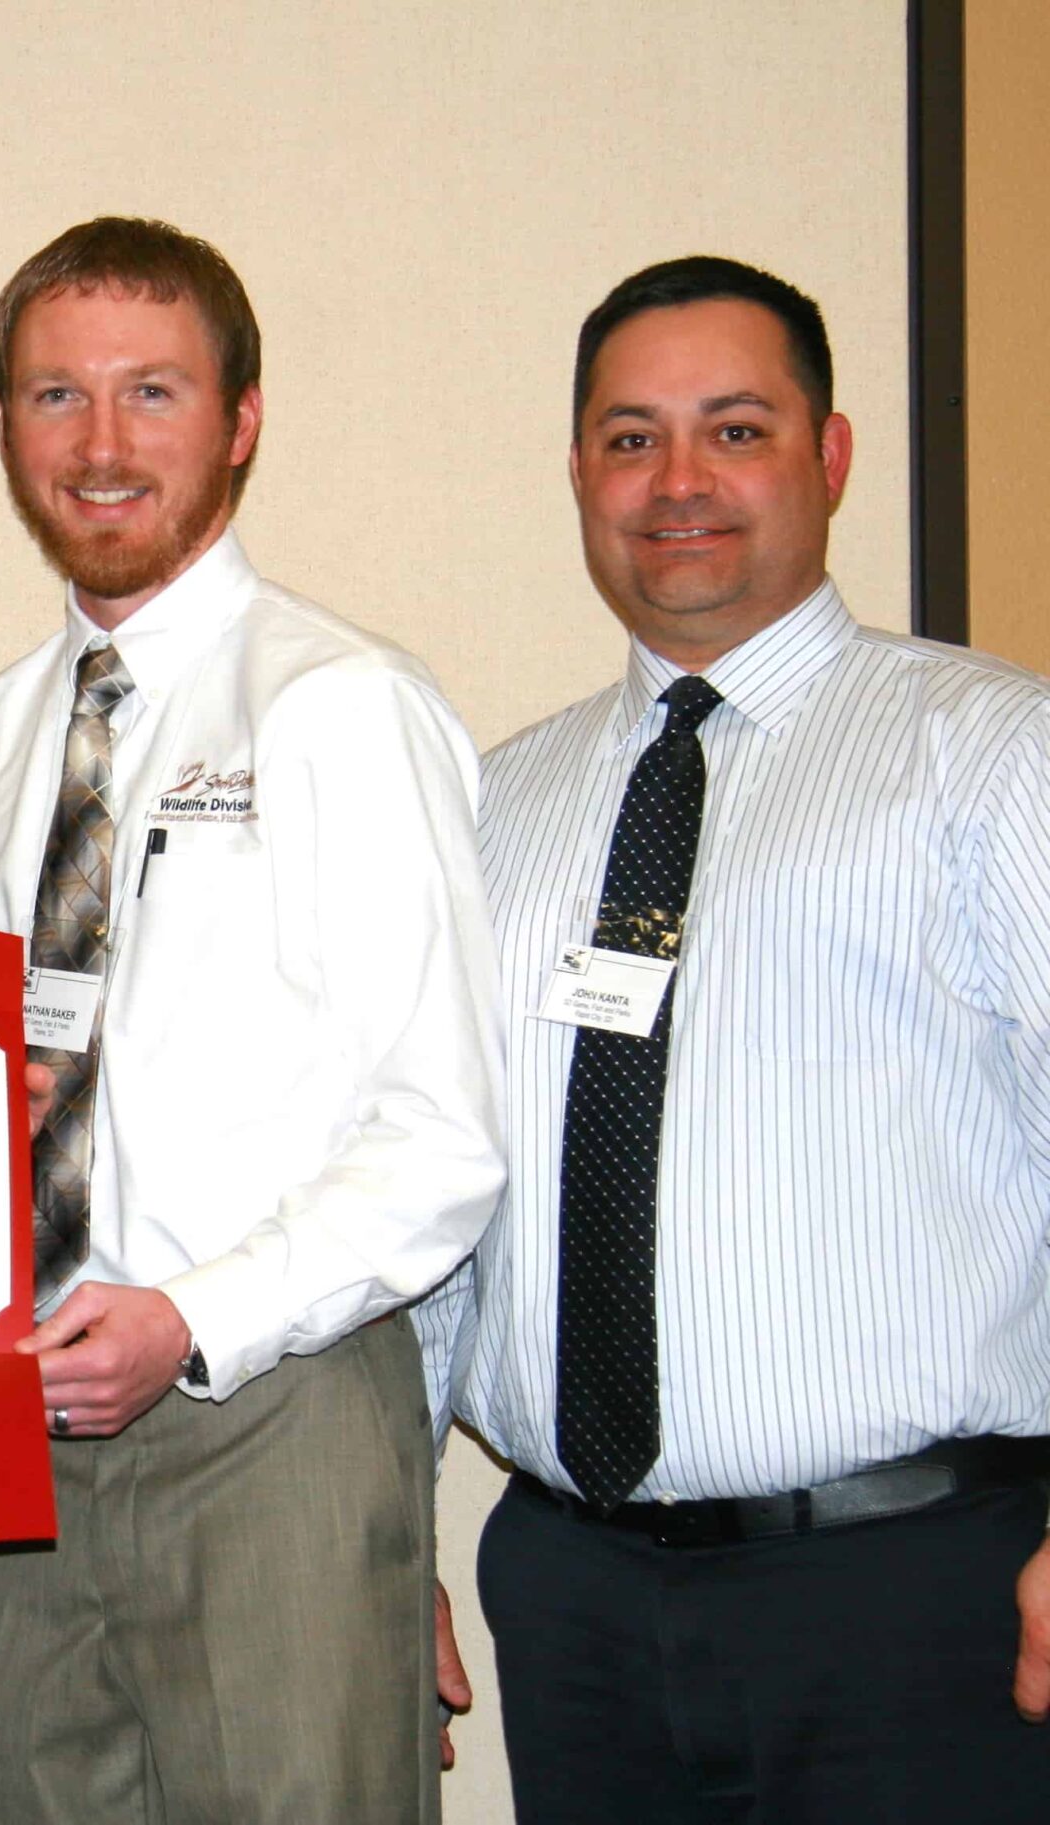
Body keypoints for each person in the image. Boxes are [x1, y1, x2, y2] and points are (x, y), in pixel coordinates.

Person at [416, 255, 1050, 1821]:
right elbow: (434, 1206)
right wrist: (381, 1551)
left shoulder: (988, 753)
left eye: (736, 429)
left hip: (918, 1595)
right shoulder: (491, 808)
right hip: (573, 1603)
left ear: (829, 458)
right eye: (630, 438)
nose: (678, 482)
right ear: (577, 474)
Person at [0, 215, 503, 1822]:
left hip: (272, 1415)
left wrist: (193, 1317)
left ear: (239, 421)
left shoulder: (339, 706)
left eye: (151, 393)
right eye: (53, 397)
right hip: (20, 1439)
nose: (99, 448)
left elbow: (442, 1140)